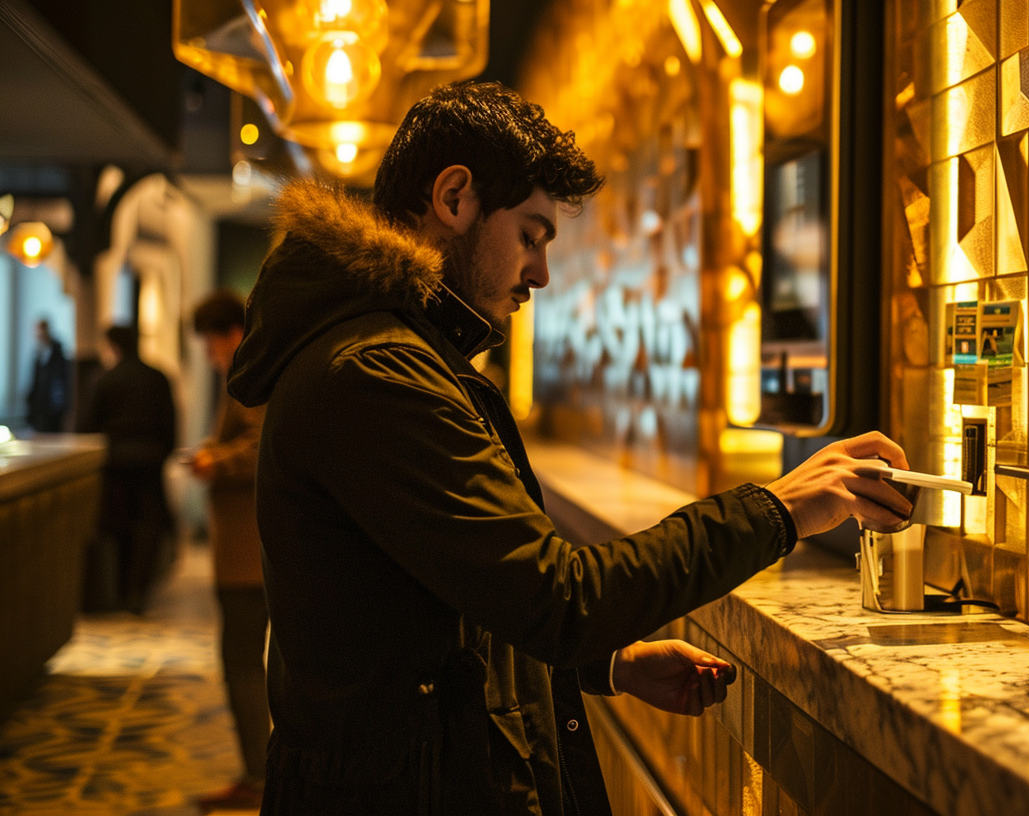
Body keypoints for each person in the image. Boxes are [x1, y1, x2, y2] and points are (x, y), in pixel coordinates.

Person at [227, 80, 912, 815]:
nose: (541, 275)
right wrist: (776, 508)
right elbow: (559, 598)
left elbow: (454, 599)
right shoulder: (375, 372)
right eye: (530, 235)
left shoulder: (390, 356)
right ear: (455, 198)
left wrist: (606, 664)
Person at [188, 291, 270, 812]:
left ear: (228, 335)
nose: (207, 355)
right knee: (244, 660)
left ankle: (259, 775)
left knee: (240, 662)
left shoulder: (250, 377)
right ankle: (259, 771)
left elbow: (262, 448)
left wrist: (214, 460)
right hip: (248, 549)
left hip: (247, 553)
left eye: (209, 344)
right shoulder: (251, 372)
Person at [78, 325, 176, 614]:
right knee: (149, 524)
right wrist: (163, 453)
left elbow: (88, 426)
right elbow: (170, 423)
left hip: (117, 463)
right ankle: (140, 591)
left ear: (113, 346)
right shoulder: (157, 378)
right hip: (150, 460)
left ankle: (121, 592)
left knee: (119, 525)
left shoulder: (107, 380)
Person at [26, 318, 70, 432]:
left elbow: (62, 381)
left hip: (54, 407)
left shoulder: (57, 354)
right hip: (40, 407)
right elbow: (35, 381)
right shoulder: (38, 354)